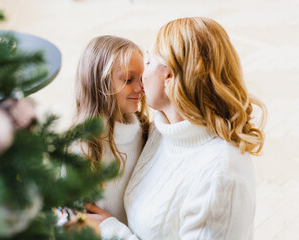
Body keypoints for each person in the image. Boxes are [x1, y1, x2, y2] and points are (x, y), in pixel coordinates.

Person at [86, 17, 266, 240]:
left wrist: (110, 231)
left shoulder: (220, 176)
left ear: (168, 76)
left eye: (149, 62)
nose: (142, 76)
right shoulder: (162, 130)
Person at [74, 35, 149, 225]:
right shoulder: (81, 148)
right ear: (99, 83)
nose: (140, 88)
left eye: (141, 78)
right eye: (128, 79)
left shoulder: (148, 132)